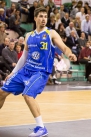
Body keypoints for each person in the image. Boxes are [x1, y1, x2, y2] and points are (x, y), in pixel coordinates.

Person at [0, 7, 77, 137]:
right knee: (2, 92)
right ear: (35, 18)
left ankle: (41, 128)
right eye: (40, 16)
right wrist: (13, 72)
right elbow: (24, 57)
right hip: (26, 70)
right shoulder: (28, 36)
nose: (43, 19)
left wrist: (70, 54)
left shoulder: (51, 33)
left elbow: (64, 47)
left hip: (40, 72)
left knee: (28, 95)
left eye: (45, 17)